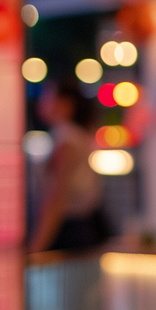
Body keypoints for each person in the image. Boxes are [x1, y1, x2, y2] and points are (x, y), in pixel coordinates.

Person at [28, 78, 110, 253]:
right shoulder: (76, 134)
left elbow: (56, 195)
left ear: (65, 104)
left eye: (48, 95)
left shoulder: (66, 139)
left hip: (68, 231)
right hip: (80, 227)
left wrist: (37, 246)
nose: (42, 100)